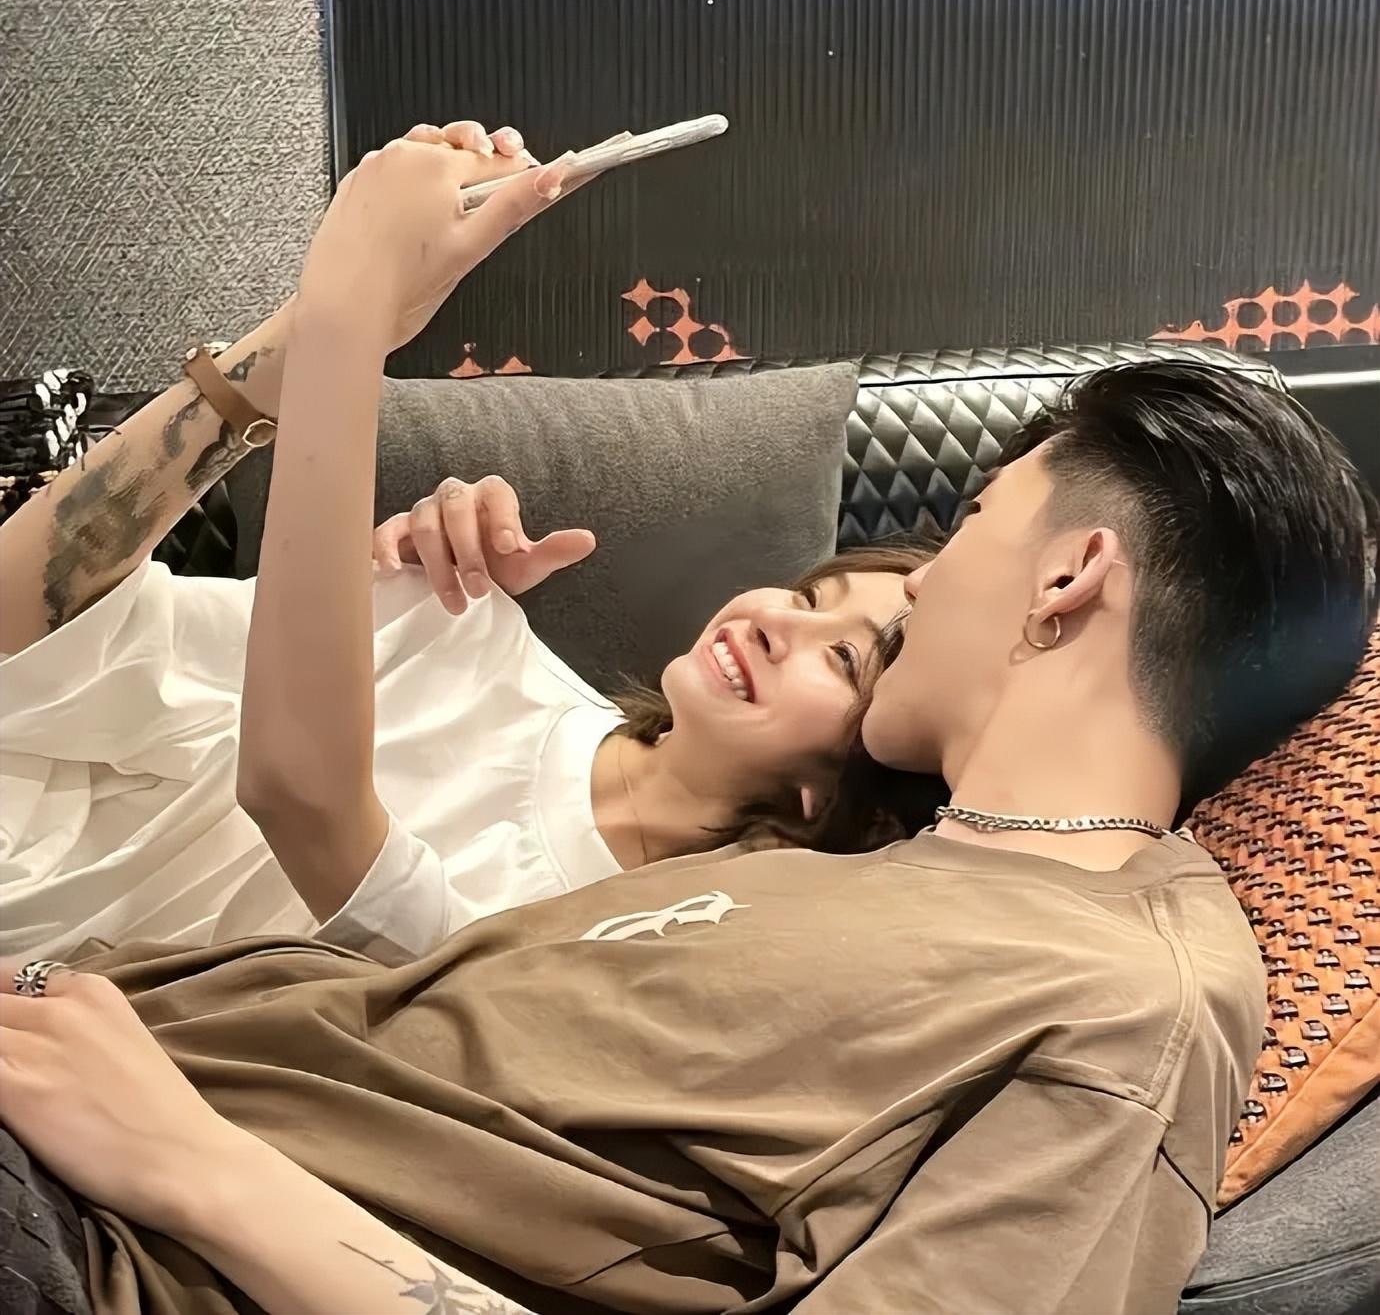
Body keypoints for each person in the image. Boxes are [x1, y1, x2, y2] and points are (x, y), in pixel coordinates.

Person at [1, 122, 1376, 1315]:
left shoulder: (1122, 1004)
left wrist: (192, 1167)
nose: (918, 580)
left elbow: (309, 806)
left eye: (968, 521)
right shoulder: (865, 881)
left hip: (104, 1237)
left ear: (1069, 578)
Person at [0, 121, 932, 964]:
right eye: (809, 596)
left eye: (844, 658)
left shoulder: (598, 943)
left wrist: (349, 304)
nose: (778, 621)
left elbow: (302, 801)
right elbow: (26, 621)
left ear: (838, 804)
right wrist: (312, 333)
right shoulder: (463, 625)